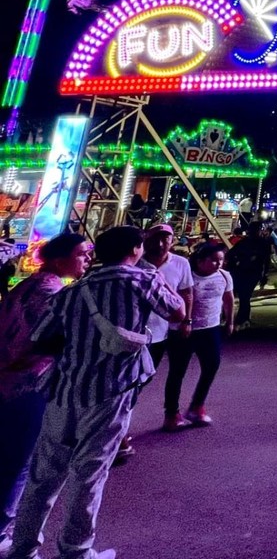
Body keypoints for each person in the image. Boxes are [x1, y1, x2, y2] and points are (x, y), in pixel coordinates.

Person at [9, 226, 185, 559]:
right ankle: (75, 551)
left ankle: (23, 549)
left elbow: (42, 336)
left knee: (43, 475)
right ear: (135, 249)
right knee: (89, 473)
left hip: (64, 390)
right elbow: (177, 312)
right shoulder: (142, 280)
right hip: (111, 391)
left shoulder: (72, 291)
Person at [0, 234, 92, 550]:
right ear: (58, 258)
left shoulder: (29, 287)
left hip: (11, 386)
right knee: (18, 463)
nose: (87, 260)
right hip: (28, 387)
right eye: (82, 254)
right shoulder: (52, 295)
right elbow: (45, 344)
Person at [163, 242, 234, 430]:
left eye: (221, 260)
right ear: (200, 260)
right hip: (183, 330)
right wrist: (185, 322)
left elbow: (228, 298)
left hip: (210, 328)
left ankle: (197, 406)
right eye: (213, 260)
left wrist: (230, 321)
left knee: (211, 366)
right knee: (178, 371)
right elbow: (181, 299)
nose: (218, 264)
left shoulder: (224, 276)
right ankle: (171, 413)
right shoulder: (187, 276)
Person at [136, 224, 195, 433]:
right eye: (155, 239)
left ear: (173, 241)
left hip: (173, 326)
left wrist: (187, 321)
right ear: (146, 239)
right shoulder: (136, 263)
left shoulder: (181, 263)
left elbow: (187, 293)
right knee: (142, 376)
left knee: (177, 372)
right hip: (146, 331)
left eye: (166, 239)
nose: (161, 244)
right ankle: (121, 422)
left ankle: (172, 414)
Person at [224, 222, 272, 330]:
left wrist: (265, 274)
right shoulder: (246, 242)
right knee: (243, 295)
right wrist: (237, 262)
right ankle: (243, 318)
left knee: (245, 295)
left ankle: (242, 318)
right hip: (243, 271)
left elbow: (266, 260)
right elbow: (230, 254)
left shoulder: (262, 243)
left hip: (252, 272)